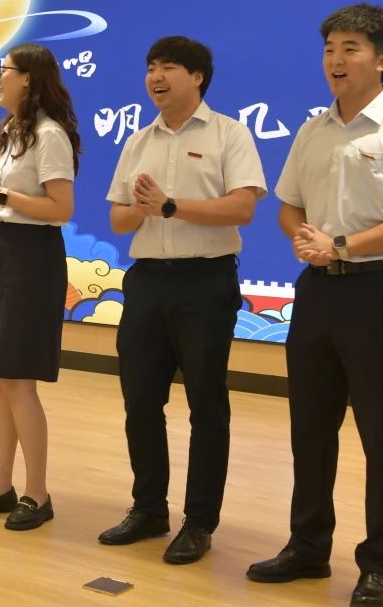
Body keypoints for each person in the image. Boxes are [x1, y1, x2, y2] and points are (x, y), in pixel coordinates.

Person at [247, 4, 383, 606]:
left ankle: (380, 563)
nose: (336, 59)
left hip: (379, 289)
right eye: (330, 48)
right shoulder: (313, 130)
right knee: (310, 426)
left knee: (381, 432)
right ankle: (307, 547)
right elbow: (289, 205)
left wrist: (341, 244)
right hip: (318, 289)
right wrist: (306, 240)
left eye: (350, 48)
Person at [97, 36, 266, 563]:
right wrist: (145, 208)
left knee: (206, 406)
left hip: (205, 283)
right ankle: (149, 508)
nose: (155, 76)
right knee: (140, 402)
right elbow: (118, 219)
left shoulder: (229, 134)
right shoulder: (138, 141)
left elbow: (242, 208)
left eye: (168, 67)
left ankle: (199, 522)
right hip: (147, 281)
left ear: (197, 77)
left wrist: (170, 206)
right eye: (151, 66)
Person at [0, 43, 79, 531]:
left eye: (3, 70)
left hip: (32, 256)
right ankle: (0, 485)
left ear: (28, 78)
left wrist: (0, 194)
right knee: (1, 376)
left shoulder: (50, 135)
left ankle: (38, 493)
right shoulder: (11, 130)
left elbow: (61, 209)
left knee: (19, 379)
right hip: (3, 248)